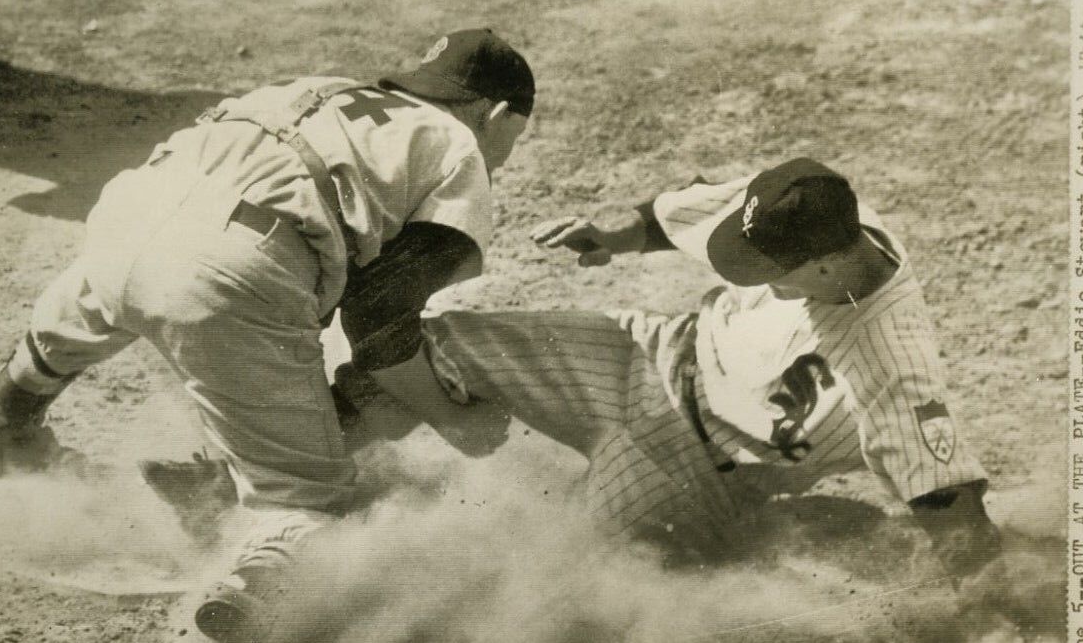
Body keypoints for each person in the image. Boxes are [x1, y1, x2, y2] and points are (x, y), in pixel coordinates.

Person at [0, 28, 534, 643]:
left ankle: (2, 417)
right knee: (309, 499)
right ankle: (256, 577)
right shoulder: (457, 147)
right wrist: (449, 415)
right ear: (493, 115)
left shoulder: (321, 89)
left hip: (124, 216)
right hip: (230, 267)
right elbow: (379, 322)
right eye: (513, 139)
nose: (504, 155)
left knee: (90, 311)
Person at [408, 157, 1003, 575]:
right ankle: (322, 486)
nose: (750, 275)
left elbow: (951, 506)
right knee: (422, 350)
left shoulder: (888, 360)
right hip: (643, 353)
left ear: (822, 268)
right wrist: (613, 238)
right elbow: (701, 212)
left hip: (686, 473)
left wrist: (997, 623)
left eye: (765, 271)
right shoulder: (808, 204)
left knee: (536, 576)